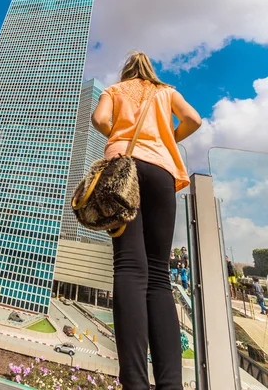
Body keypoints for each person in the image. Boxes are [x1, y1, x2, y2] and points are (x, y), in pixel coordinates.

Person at [91, 51, 201, 390]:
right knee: (159, 275)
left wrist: (120, 138)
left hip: (124, 169)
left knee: (128, 267)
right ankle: (171, 385)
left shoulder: (115, 90)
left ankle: (135, 383)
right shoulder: (165, 90)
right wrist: (167, 140)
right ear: (151, 70)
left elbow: (98, 120)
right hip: (162, 171)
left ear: (125, 72)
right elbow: (194, 119)